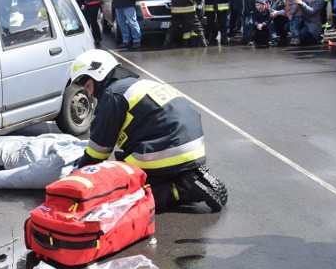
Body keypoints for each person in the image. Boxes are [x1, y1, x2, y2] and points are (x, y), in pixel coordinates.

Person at [71, 49, 227, 212]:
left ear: (99, 75)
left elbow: (99, 150)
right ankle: (186, 175)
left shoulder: (113, 94)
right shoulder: (140, 84)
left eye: (88, 86)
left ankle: (180, 190)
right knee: (129, 158)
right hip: (193, 146)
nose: (89, 93)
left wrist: (79, 174)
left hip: (169, 149)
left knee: (123, 187)